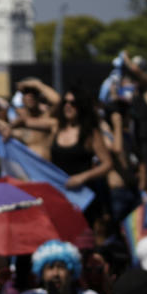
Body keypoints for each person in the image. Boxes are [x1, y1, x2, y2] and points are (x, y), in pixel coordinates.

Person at [50, 87, 114, 224]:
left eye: (73, 103)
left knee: (83, 240)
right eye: (65, 102)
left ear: (81, 106)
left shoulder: (90, 133)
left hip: (82, 198)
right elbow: (26, 121)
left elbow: (107, 163)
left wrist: (82, 177)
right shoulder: (56, 127)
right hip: (58, 195)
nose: (68, 106)